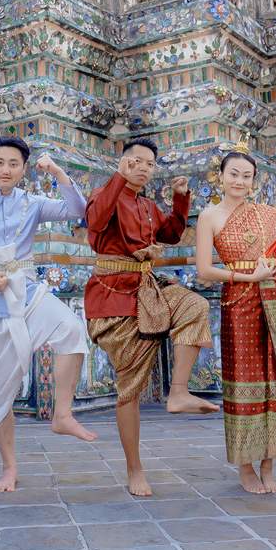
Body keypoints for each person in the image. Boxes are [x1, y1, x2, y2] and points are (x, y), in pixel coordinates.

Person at [0, 137, 96, 493]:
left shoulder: (31, 203)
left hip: (27, 293)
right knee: (1, 395)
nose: (6, 169)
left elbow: (77, 210)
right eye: (0, 162)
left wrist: (58, 171)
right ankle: (10, 467)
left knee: (72, 330)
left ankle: (62, 414)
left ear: (23, 169)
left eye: (14, 163)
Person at [85, 138, 216, 498]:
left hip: (146, 287)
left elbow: (171, 234)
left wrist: (180, 197)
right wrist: (116, 178)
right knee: (129, 389)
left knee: (195, 306)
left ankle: (178, 393)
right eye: (135, 161)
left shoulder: (146, 205)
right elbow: (95, 223)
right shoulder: (104, 194)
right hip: (112, 296)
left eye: (148, 163)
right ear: (122, 163)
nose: (142, 167)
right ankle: (134, 468)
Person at [195, 147, 276, 494]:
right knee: (246, 379)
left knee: (274, 378)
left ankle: (270, 464)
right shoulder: (209, 216)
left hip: (273, 299)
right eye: (233, 173)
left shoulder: (264, 213)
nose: (239, 180)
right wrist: (246, 278)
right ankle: (246, 466)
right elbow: (204, 270)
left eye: (246, 176)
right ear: (221, 176)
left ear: (253, 182)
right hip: (239, 300)